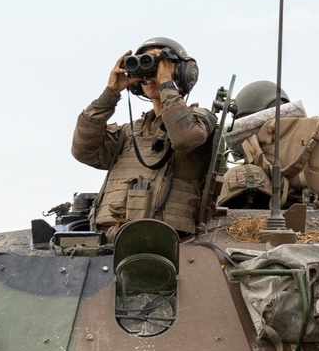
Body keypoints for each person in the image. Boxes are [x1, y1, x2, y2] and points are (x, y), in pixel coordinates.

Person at [72, 38, 214, 234]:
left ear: (182, 71)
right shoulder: (129, 133)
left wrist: (166, 84)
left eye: (159, 64)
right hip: (110, 240)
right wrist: (110, 93)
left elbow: (183, 138)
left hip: (168, 243)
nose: (152, 73)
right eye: (147, 64)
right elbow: (83, 151)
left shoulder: (200, 121)